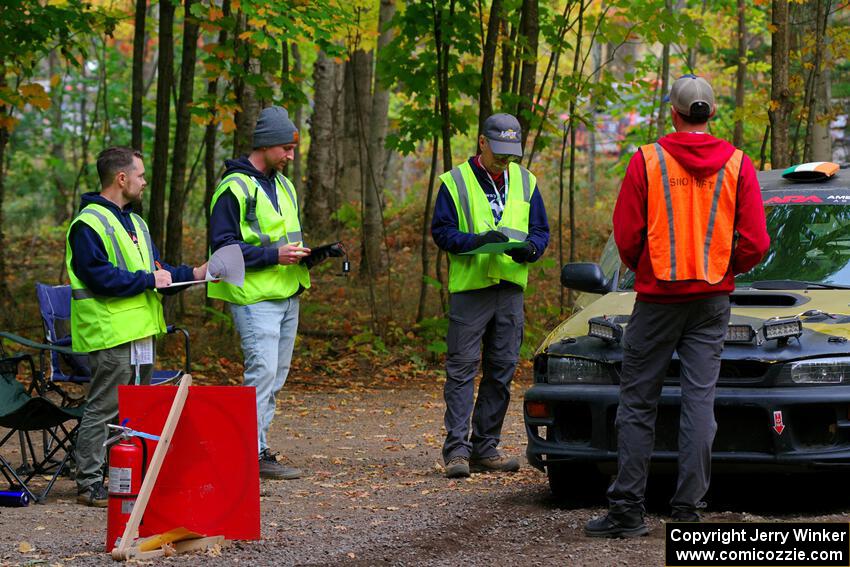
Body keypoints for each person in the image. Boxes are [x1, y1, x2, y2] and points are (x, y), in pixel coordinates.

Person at [584, 75, 770, 537]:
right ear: (711, 114)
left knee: (638, 402)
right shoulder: (739, 164)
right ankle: (687, 512)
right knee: (699, 402)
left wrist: (646, 268)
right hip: (711, 300)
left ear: (673, 112)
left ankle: (628, 510)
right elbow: (757, 242)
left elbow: (626, 237)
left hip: (657, 298)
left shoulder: (647, 161)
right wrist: (725, 266)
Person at [67, 147, 207, 507]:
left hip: (142, 331)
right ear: (121, 178)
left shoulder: (136, 223)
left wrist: (194, 274)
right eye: (141, 175)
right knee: (106, 407)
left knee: (136, 408)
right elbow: (99, 277)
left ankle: (124, 475)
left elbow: (157, 269)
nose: (145, 181)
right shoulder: (88, 223)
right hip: (111, 332)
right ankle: (89, 482)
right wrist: (148, 280)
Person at [209, 106, 333, 480]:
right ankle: (249, 452)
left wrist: (308, 256)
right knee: (261, 374)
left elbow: (285, 239)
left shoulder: (283, 185)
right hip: (254, 297)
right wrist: (274, 256)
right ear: (265, 146)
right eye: (286, 149)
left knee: (274, 377)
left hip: (287, 292)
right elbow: (222, 251)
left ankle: (256, 448)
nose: (291, 156)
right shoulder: (234, 187)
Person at [431, 113, 550, 479]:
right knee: (462, 370)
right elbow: (442, 232)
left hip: (510, 289)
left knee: (501, 370)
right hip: (471, 290)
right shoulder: (455, 182)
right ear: (482, 142)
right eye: (499, 151)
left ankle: (486, 447)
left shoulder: (526, 181)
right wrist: (476, 243)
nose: (505, 159)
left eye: (511, 153)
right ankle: (456, 452)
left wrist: (530, 249)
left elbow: (540, 231)